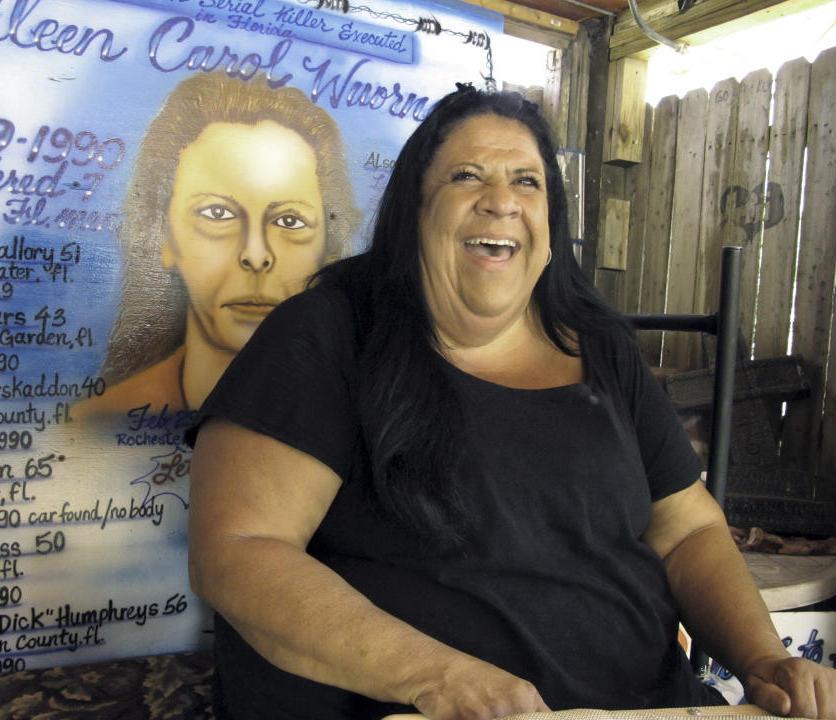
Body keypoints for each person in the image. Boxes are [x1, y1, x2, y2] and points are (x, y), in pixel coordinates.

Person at [187, 84, 836, 720]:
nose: (501, 201)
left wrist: (762, 659)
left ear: (550, 220)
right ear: (414, 210)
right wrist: (436, 677)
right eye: (467, 176)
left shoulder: (602, 344)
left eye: (527, 182)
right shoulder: (329, 333)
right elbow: (239, 550)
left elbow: (687, 529)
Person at [73, 72, 360, 418]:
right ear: (164, 236)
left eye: (289, 221)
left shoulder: (365, 423)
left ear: (329, 250)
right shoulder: (94, 426)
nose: (256, 255)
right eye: (217, 213)